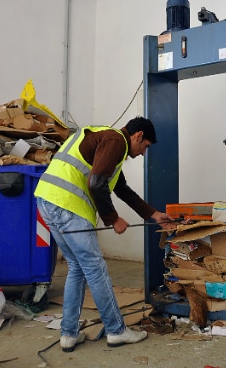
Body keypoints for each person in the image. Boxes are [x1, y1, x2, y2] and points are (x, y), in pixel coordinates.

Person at [34, 116, 174, 352]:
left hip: (47, 201)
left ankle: (69, 334)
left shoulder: (106, 140)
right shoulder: (116, 141)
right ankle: (116, 331)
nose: (143, 153)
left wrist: (152, 214)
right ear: (138, 135)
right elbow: (96, 183)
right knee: (94, 268)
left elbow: (122, 189)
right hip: (68, 205)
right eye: (146, 146)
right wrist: (113, 219)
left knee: (77, 268)